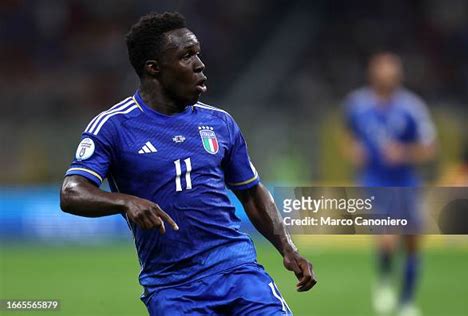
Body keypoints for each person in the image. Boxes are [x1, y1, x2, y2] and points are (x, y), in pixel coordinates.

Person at [60, 12, 316, 316]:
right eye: (186, 56)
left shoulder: (219, 123)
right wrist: (125, 202)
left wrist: (288, 248)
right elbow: (71, 191)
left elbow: (251, 192)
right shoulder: (113, 126)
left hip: (238, 270)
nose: (200, 64)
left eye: (198, 53)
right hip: (171, 286)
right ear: (153, 68)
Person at [342, 52, 437, 316]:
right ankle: (384, 281)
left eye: (391, 71)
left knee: (411, 242)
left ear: (398, 76)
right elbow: (347, 138)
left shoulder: (412, 107)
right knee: (386, 238)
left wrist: (404, 153)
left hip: (405, 181)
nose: (386, 76)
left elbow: (430, 147)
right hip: (374, 180)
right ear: (373, 74)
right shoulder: (357, 105)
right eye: (382, 71)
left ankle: (406, 300)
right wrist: (353, 150)